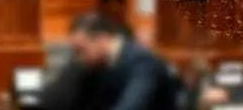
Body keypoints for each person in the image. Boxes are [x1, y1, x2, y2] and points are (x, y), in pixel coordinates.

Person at [39, 13, 177, 110]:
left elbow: (131, 106)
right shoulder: (96, 64)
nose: (78, 58)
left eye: (80, 50)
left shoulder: (143, 63)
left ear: (102, 39)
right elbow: (56, 101)